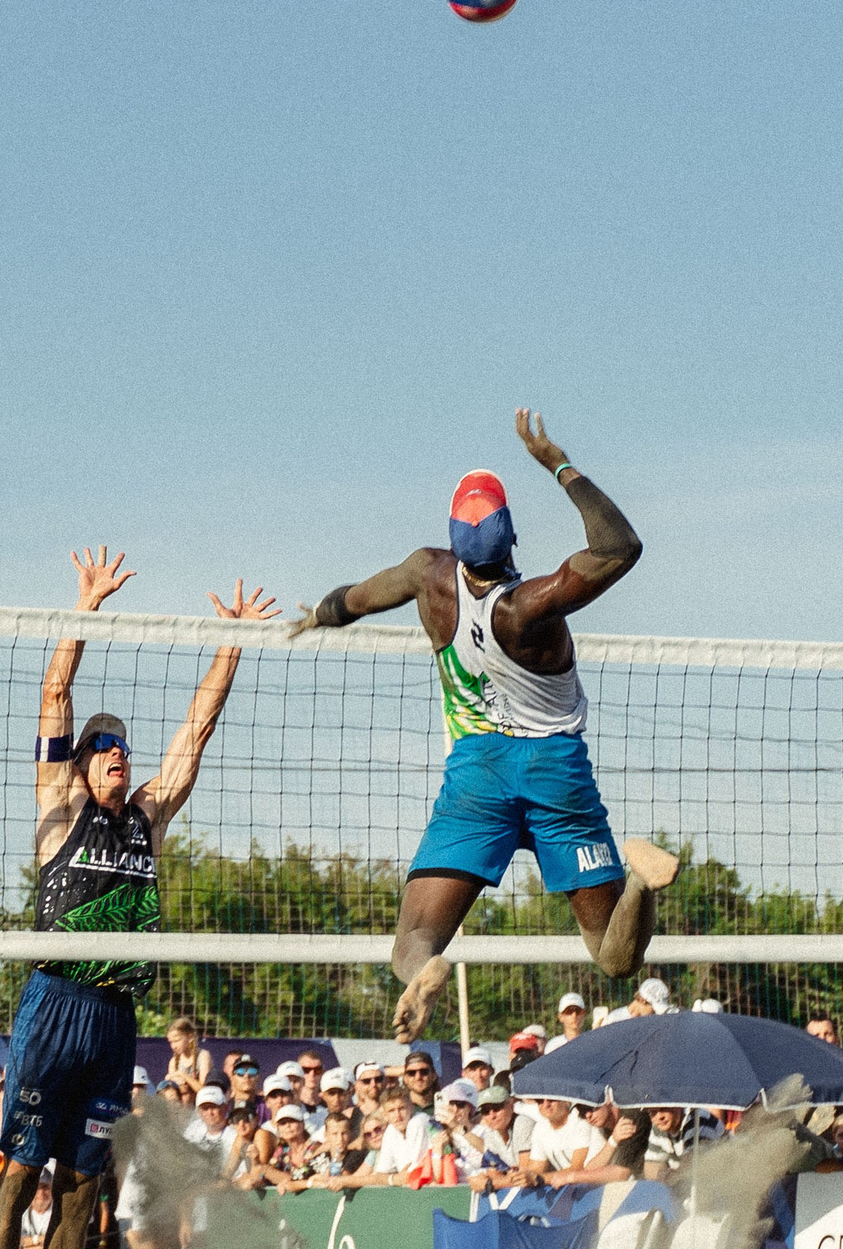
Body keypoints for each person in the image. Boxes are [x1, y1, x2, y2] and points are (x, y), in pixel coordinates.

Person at [0, 547, 272, 1249]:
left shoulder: (144, 815)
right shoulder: (58, 802)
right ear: (83, 761)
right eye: (104, 750)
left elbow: (195, 736)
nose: (115, 759)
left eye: (119, 752)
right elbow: (55, 695)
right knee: (20, 1174)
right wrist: (84, 611)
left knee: (82, 1189)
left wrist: (228, 646)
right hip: (54, 1005)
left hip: (114, 1019)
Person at [291, 412, 681, 1040]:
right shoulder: (531, 607)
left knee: (409, 946)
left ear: (452, 535)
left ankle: (429, 971)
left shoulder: (427, 575)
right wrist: (556, 461)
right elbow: (620, 547)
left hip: (477, 774)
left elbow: (355, 600)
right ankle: (639, 880)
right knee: (615, 959)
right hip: (556, 773)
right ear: (512, 539)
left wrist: (317, 615)